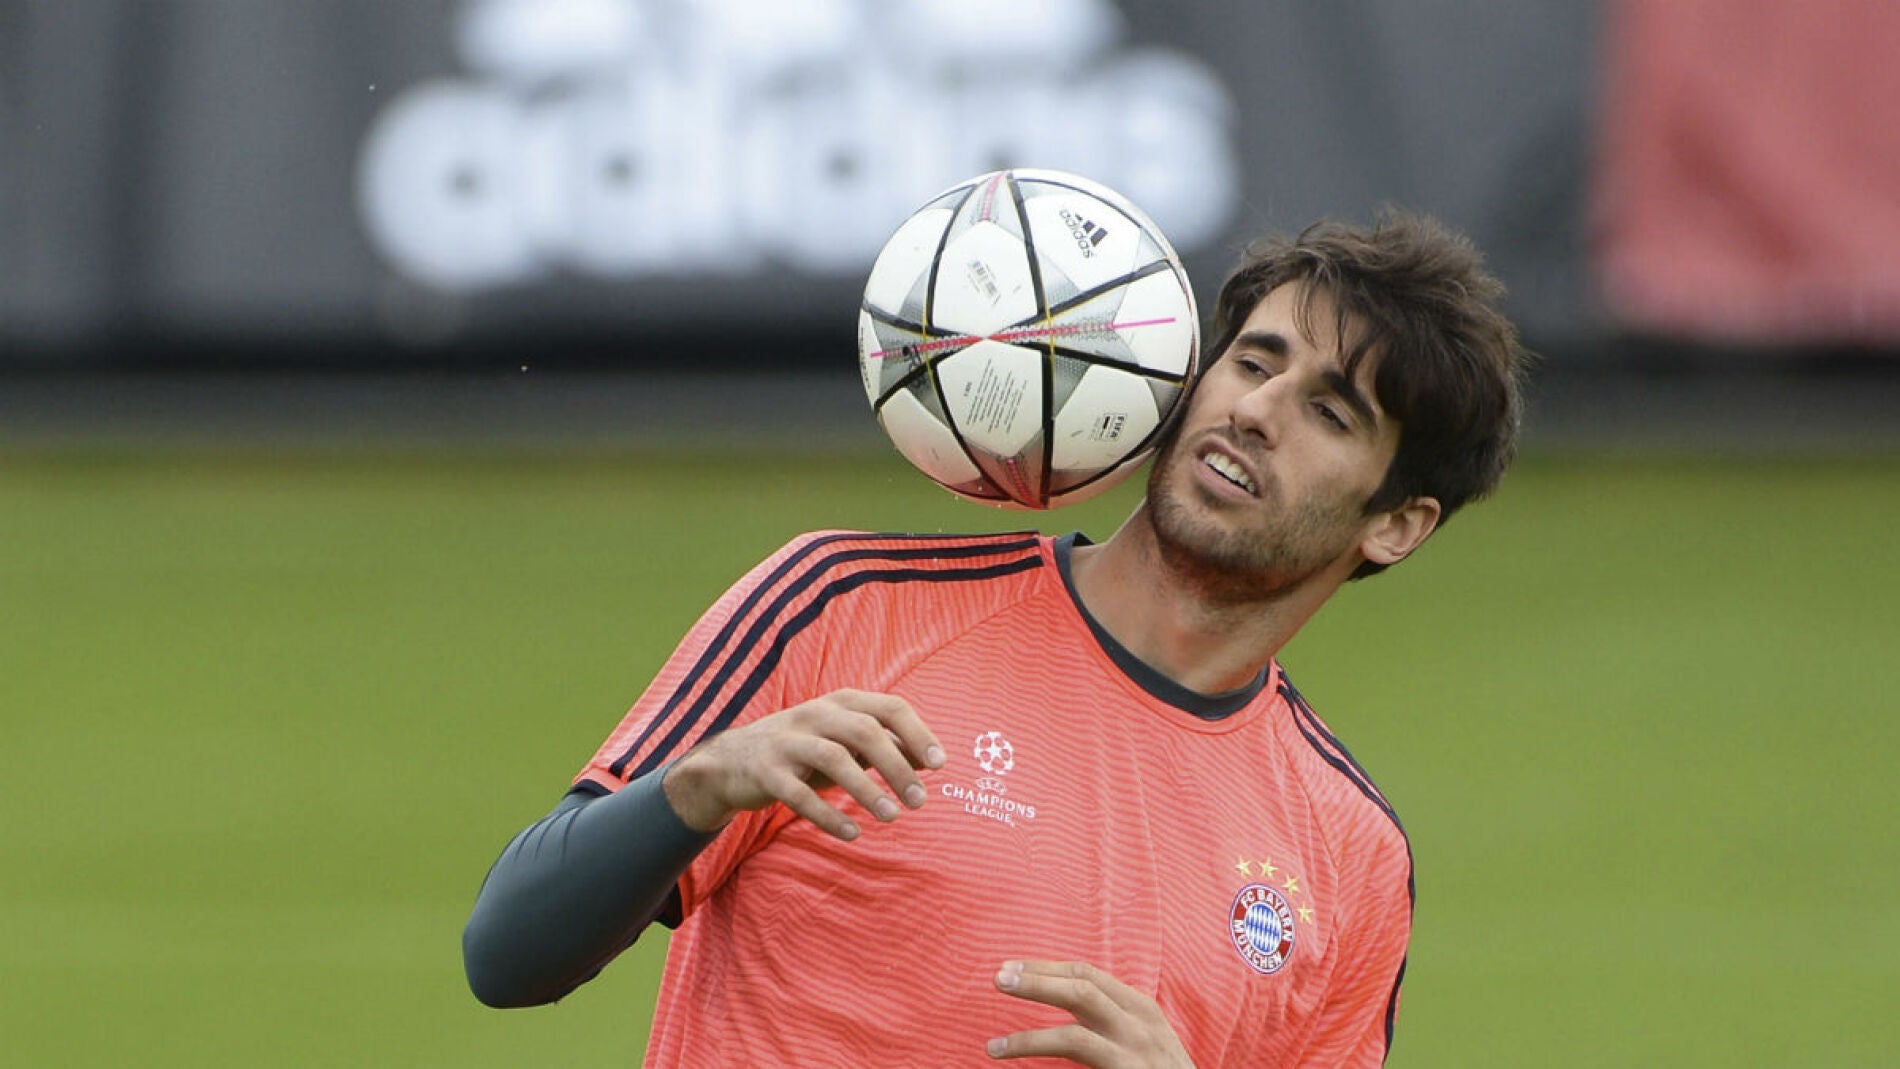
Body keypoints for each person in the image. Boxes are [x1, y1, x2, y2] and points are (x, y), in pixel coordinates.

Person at [462, 209, 1528, 1067]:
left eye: (1331, 413)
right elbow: (506, 954)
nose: (1258, 411)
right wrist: (695, 786)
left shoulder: (1346, 856)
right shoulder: (847, 605)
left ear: (1396, 524)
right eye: (1253, 363)